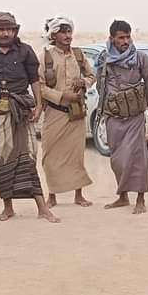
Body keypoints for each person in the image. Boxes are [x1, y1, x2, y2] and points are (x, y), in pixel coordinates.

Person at [0, 12, 59, 223]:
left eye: (9, 29)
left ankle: (42, 208)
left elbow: (34, 81)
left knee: (27, 157)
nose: (6, 33)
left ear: (15, 31)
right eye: (1, 29)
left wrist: (39, 105)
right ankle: (8, 208)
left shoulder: (25, 51)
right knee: (0, 159)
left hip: (21, 111)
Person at [38, 16, 96, 208]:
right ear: (53, 35)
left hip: (76, 113)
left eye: (69, 31)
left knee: (76, 156)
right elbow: (40, 87)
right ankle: (52, 196)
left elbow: (91, 76)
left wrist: (84, 82)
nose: (67, 36)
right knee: (50, 155)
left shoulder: (78, 55)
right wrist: (63, 96)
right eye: (63, 32)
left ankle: (78, 195)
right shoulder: (45, 57)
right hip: (54, 112)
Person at [97, 20, 148, 214]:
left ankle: (140, 199)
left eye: (128, 37)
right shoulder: (104, 59)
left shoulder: (141, 59)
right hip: (113, 117)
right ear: (112, 38)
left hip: (134, 117)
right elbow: (101, 86)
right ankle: (122, 197)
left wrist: (139, 105)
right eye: (121, 37)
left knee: (137, 158)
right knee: (118, 160)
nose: (125, 41)